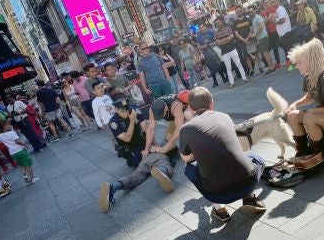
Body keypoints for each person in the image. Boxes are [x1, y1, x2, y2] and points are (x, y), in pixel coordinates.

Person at [179, 87, 266, 222]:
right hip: (248, 181)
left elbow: (185, 157)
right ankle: (250, 197)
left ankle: (220, 209)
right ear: (211, 103)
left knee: (188, 167)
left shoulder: (185, 129)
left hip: (217, 193)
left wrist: (199, 150)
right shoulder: (224, 116)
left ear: (190, 108)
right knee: (253, 156)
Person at [285, 38, 324, 160]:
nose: (297, 66)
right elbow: (309, 97)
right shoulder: (308, 78)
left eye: (299, 62)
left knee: (310, 117)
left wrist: (317, 111)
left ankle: (320, 154)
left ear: (311, 61)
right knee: (292, 115)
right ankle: (303, 150)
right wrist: (295, 105)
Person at [98, 149, 174, 213]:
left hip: (144, 160)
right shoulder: (165, 145)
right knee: (165, 164)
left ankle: (113, 186)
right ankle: (162, 171)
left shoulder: (151, 145)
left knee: (136, 176)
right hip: (160, 156)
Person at [109, 98, 148, 167]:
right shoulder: (113, 122)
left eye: (127, 110)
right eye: (122, 111)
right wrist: (132, 122)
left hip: (140, 140)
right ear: (116, 110)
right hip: (128, 146)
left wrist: (152, 144)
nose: (127, 114)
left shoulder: (134, 111)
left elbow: (147, 130)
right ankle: (130, 159)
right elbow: (127, 139)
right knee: (142, 165)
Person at [214, 16, 250, 89]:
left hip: (232, 49)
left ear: (222, 21)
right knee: (228, 68)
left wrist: (223, 40)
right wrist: (226, 40)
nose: (218, 24)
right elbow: (217, 43)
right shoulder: (216, 33)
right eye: (216, 23)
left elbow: (232, 37)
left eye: (219, 22)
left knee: (238, 64)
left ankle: (245, 78)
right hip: (224, 52)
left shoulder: (228, 28)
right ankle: (232, 83)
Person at [196, 23, 227, 87]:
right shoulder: (198, 36)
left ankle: (223, 78)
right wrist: (205, 46)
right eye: (200, 27)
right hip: (206, 53)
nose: (202, 28)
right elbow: (198, 47)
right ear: (199, 29)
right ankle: (215, 82)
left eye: (202, 27)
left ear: (205, 27)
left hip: (214, 50)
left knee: (218, 64)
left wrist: (211, 44)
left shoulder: (211, 32)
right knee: (210, 67)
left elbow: (216, 40)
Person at [248, 5, 276, 75]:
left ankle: (271, 68)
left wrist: (254, 34)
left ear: (255, 10)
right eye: (249, 12)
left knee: (265, 53)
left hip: (262, 37)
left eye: (251, 11)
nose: (250, 13)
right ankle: (272, 66)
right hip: (262, 37)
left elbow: (261, 26)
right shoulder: (255, 17)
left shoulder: (257, 17)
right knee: (266, 53)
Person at [271, 0, 294, 70]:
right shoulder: (278, 10)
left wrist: (275, 22)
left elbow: (283, 20)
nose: (272, 3)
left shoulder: (280, 9)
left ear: (277, 1)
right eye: (271, 2)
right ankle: (294, 63)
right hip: (283, 33)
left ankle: (295, 64)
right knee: (289, 49)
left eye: (273, 1)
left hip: (285, 32)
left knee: (290, 50)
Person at [261, 0, 283, 69]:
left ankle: (289, 59)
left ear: (270, 2)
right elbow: (264, 22)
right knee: (274, 48)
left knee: (283, 45)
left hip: (277, 30)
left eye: (267, 2)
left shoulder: (274, 9)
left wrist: (268, 19)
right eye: (264, 3)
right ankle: (278, 62)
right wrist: (269, 18)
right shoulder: (263, 12)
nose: (266, 4)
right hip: (270, 32)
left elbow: (274, 18)